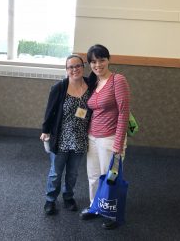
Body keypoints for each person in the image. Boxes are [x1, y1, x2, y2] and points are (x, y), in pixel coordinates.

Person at [79, 44, 130, 230]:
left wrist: (118, 143)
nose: (97, 64)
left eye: (101, 60)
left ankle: (111, 213)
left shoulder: (118, 80)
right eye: (93, 61)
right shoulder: (93, 82)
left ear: (108, 60)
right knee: (93, 176)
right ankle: (95, 207)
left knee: (110, 178)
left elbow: (124, 112)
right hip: (92, 137)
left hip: (111, 138)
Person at [40, 54, 91, 215]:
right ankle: (50, 199)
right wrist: (45, 130)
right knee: (56, 172)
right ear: (66, 69)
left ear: (83, 67)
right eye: (70, 67)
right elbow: (50, 111)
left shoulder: (91, 84)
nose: (74, 69)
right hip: (61, 137)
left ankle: (68, 196)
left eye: (77, 66)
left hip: (80, 137)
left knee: (73, 173)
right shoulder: (59, 87)